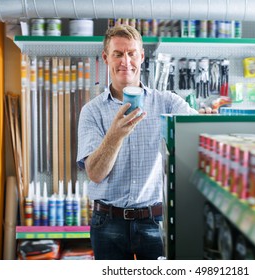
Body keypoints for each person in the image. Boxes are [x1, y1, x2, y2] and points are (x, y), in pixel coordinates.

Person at [77, 25, 216, 260]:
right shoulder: (92, 112)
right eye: (118, 54)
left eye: (132, 53)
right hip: (107, 223)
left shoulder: (168, 103)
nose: (126, 61)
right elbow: (96, 173)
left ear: (141, 57)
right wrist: (114, 135)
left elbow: (200, 132)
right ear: (105, 58)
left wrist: (209, 123)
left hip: (155, 221)